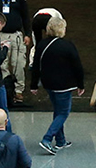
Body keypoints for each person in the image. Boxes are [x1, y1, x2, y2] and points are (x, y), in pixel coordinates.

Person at [36, 15, 84, 154]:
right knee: (63, 112)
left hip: (48, 84)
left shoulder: (42, 44)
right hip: (64, 85)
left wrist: (34, 84)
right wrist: (80, 84)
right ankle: (47, 138)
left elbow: (36, 66)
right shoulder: (67, 46)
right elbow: (77, 67)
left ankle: (61, 140)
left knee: (58, 111)